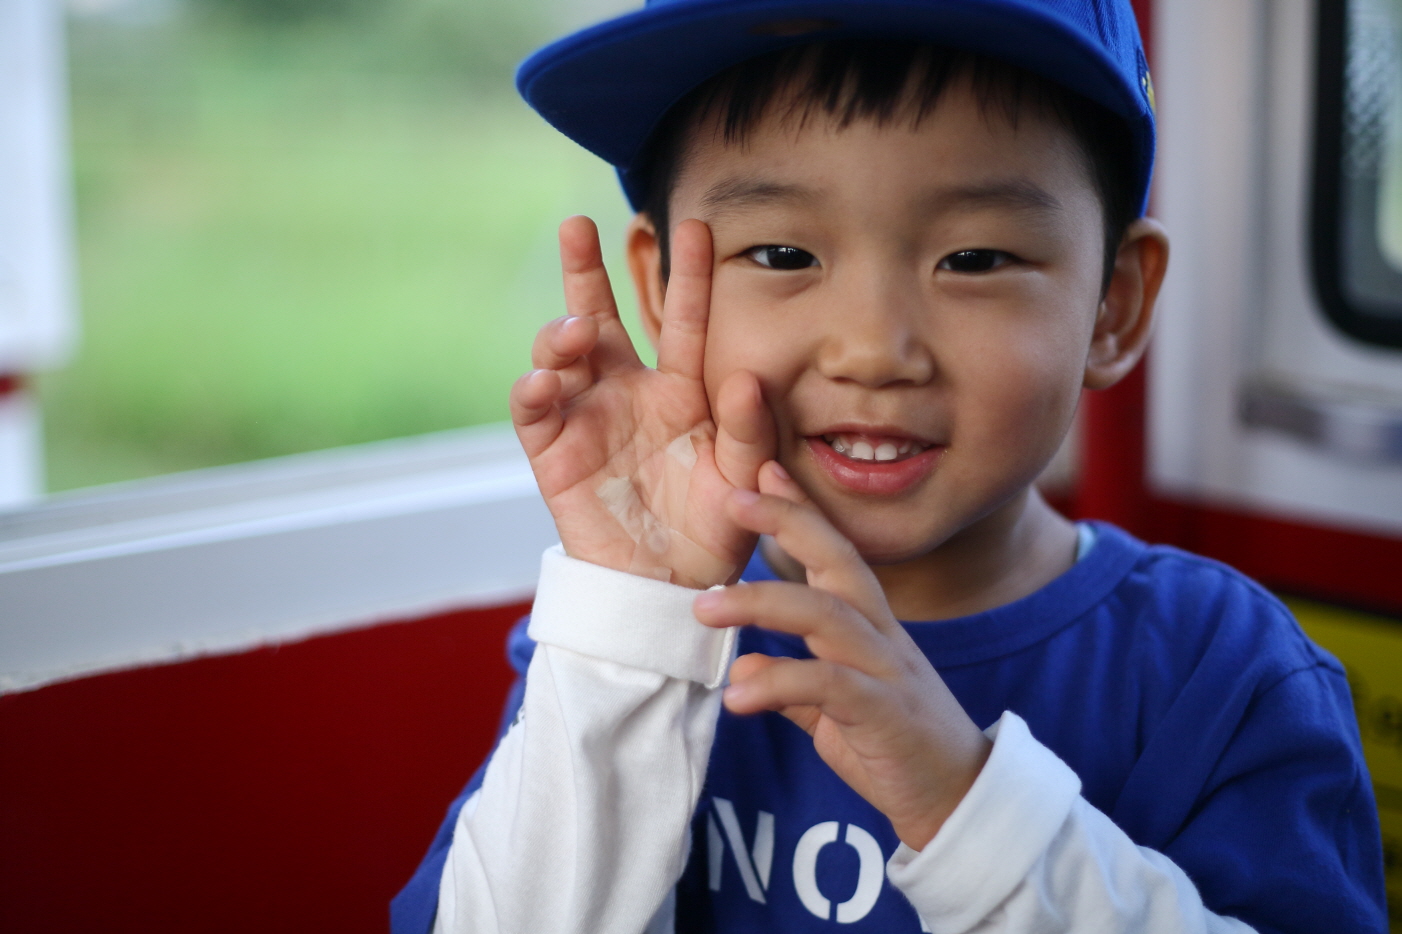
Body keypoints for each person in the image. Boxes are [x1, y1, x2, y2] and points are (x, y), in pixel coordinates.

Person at [393, 1, 1387, 931]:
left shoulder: (1223, 674)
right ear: (662, 293)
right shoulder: (633, 635)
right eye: (783, 256)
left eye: (974, 259)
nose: (872, 349)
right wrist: (629, 636)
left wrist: (970, 810)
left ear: (1112, 306)